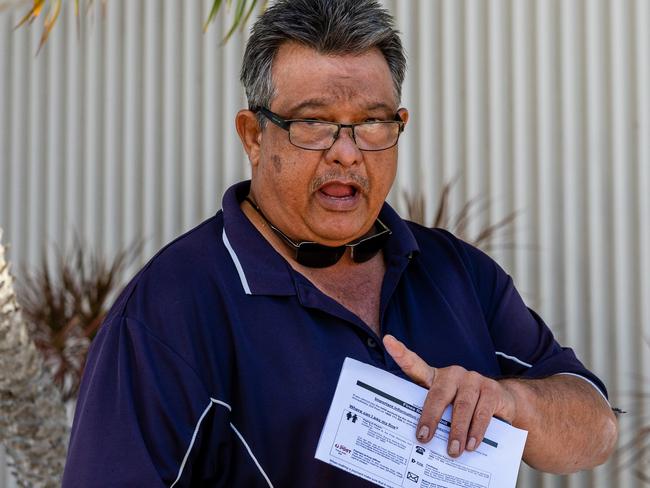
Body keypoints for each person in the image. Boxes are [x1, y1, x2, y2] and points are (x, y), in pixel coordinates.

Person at [62, 0, 618, 486]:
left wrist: (511, 402)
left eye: (372, 123)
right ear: (254, 136)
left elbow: (595, 429)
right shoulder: (166, 313)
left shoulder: (454, 272)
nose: (346, 153)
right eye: (314, 123)